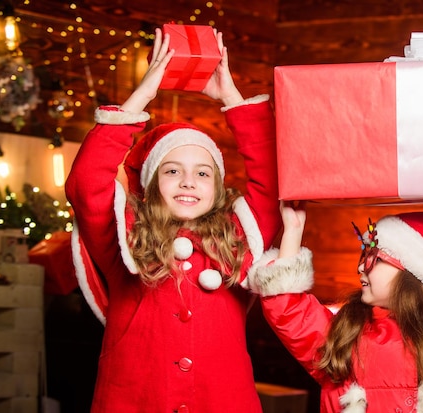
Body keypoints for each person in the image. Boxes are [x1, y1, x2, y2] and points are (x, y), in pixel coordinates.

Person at [65, 27, 281, 412]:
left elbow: (272, 180)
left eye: (202, 173)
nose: (188, 181)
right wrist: (143, 95)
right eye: (171, 171)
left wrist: (231, 98)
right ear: (150, 184)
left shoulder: (239, 238)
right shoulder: (124, 239)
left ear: (217, 186)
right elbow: (85, 184)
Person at [248, 169, 423, 413]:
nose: (361, 268)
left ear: (412, 274)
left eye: (376, 259)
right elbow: (285, 307)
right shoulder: (344, 334)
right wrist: (293, 231)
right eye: (364, 256)